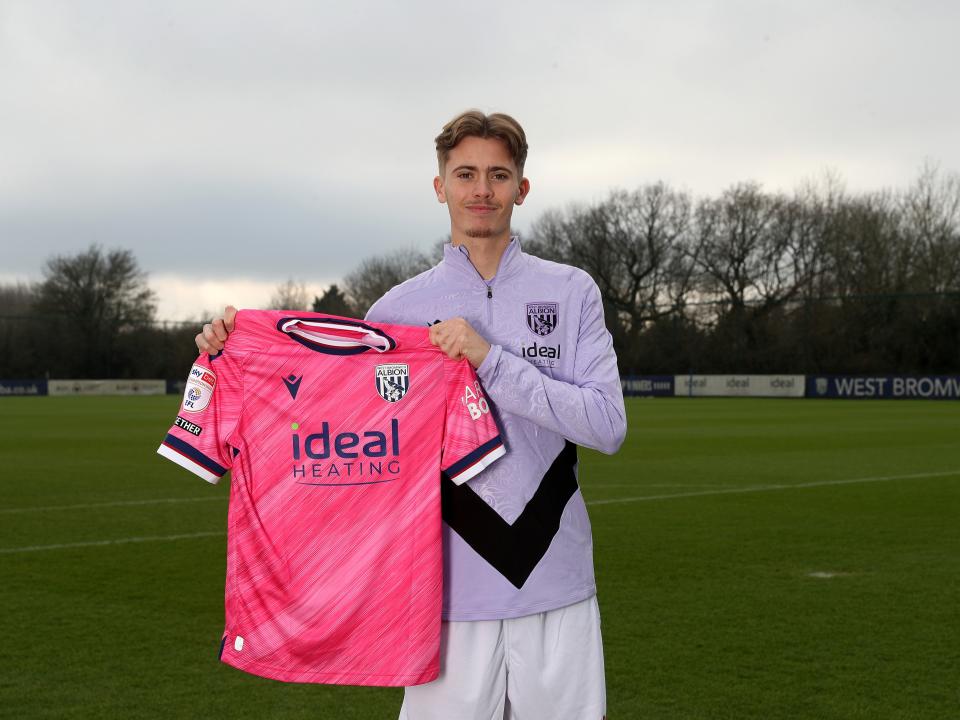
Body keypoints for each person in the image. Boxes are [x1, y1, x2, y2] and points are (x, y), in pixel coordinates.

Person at [196, 110, 626, 720]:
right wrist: (234, 352)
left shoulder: (572, 290)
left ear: (522, 188)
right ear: (440, 186)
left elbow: (606, 426)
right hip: (439, 596)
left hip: (555, 584)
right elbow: (321, 419)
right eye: (466, 174)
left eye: (499, 175)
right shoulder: (396, 310)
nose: (482, 190)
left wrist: (490, 360)